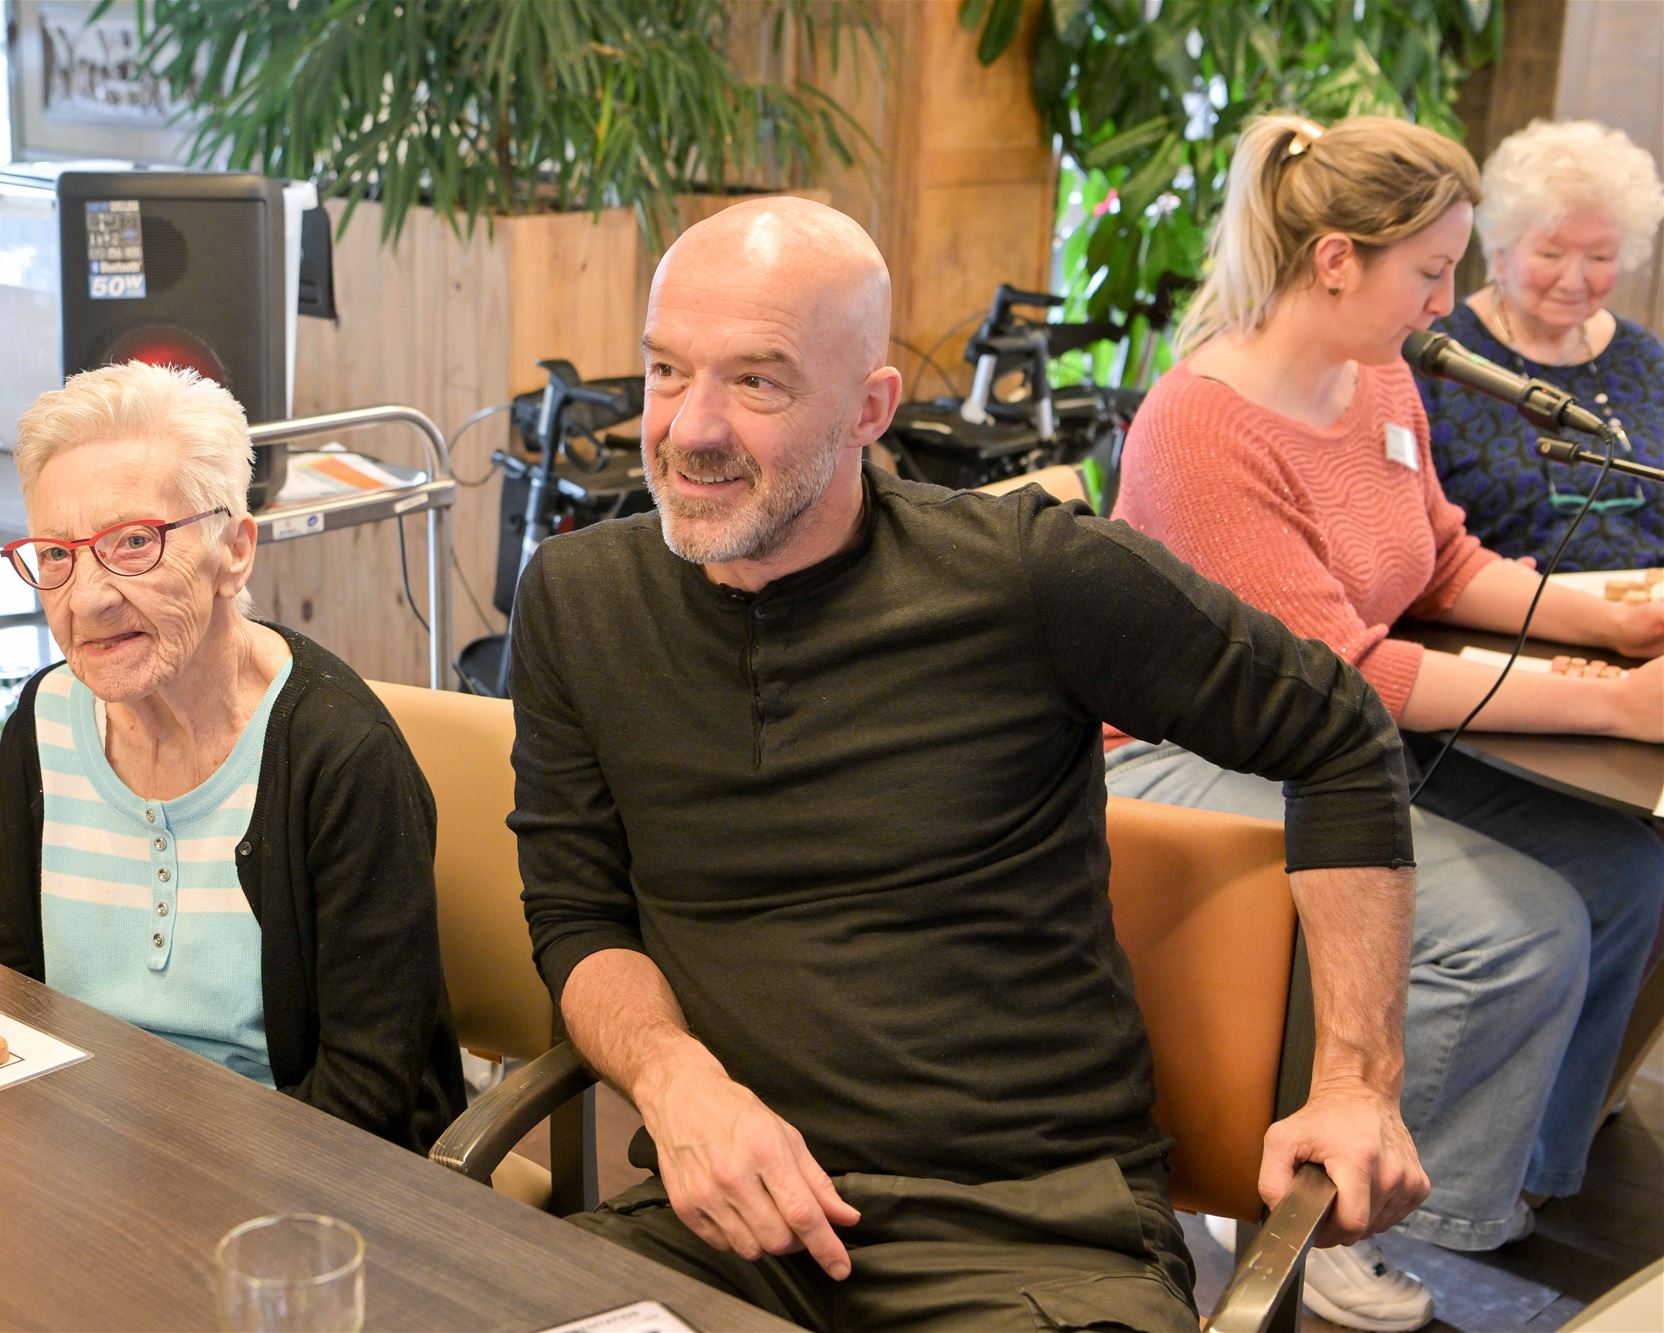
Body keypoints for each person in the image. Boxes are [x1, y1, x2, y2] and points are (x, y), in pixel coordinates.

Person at [509, 196, 1430, 1332]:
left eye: (756, 382)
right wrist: (673, 1080)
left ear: (869, 407)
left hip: (1030, 1239)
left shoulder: (1031, 578)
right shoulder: (579, 599)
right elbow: (578, 911)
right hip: (731, 1224)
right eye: (665, 371)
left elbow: (1339, 735)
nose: (690, 428)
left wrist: (1356, 1084)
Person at [1107, 114, 1664, 1331]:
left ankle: (1509, 1166)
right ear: (1333, 262)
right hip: (1185, 753)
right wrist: (1611, 702)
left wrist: (1610, 623)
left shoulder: (1377, 377)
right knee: (1520, 931)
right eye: (1429, 271)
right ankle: (1335, 1218)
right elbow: (1347, 673)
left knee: (1626, 871)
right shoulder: (1202, 425)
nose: (1446, 302)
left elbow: (1440, 562)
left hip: (1324, 735)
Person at [0, 361, 466, 1153]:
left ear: (234, 550)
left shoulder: (339, 757)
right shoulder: (44, 721)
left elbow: (365, 1091)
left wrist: (170, 1188)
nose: (87, 597)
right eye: (57, 554)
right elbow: (6, 985)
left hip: (294, 1174)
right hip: (85, 1154)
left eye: (134, 542)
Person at [1417, 119, 1664, 569]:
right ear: (1500, 250)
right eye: (1551, 254)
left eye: (1601, 257)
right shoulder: (1439, 356)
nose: (1574, 279)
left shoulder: (1643, 356)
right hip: (1506, 605)